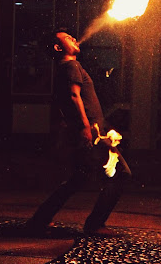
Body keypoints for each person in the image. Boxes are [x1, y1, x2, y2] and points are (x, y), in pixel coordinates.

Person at [25, 29, 131, 236]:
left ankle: (39, 220)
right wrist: (85, 127)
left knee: (78, 179)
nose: (73, 38)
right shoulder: (71, 66)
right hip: (93, 132)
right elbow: (74, 96)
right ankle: (95, 224)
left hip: (90, 130)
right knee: (120, 173)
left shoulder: (64, 68)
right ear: (58, 48)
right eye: (67, 38)